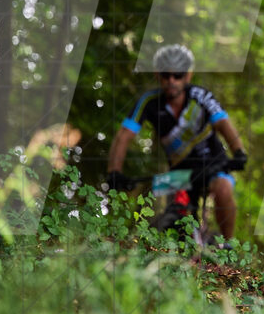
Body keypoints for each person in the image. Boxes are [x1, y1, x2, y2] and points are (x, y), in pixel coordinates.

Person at [106, 44, 247, 241]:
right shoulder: (149, 102)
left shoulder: (201, 96)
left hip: (213, 163)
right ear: (158, 75)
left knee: (223, 188)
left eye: (178, 75)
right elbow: (124, 136)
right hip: (180, 172)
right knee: (169, 208)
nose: (171, 80)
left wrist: (239, 152)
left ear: (188, 76)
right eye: (166, 75)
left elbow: (223, 122)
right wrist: (114, 172)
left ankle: (228, 245)